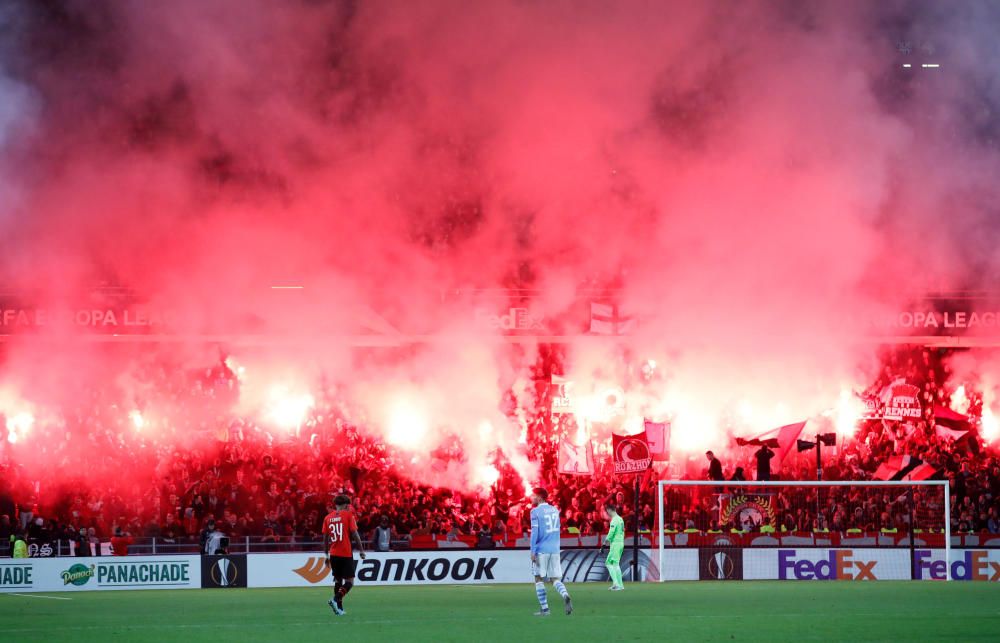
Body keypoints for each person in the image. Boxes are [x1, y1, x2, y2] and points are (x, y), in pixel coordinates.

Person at [529, 487, 573, 616]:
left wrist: (532, 551)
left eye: (534, 496)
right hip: (554, 549)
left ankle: (545, 609)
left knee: (538, 578)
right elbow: (557, 530)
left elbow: (535, 533)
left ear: (540, 497)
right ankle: (565, 595)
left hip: (541, 550)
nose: (532, 498)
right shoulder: (555, 510)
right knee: (555, 579)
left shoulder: (535, 512)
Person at [323, 495, 366, 616]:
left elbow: (325, 539)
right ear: (346, 505)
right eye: (348, 505)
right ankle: (335, 600)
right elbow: (355, 534)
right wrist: (361, 550)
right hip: (345, 553)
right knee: (350, 582)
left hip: (333, 554)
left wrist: (326, 556)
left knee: (338, 581)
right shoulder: (348, 516)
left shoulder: (327, 518)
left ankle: (339, 610)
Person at [601, 503, 626, 591]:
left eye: (607, 511)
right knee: (611, 563)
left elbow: (611, 533)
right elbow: (623, 531)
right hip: (620, 543)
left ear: (609, 510)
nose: (607, 513)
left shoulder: (614, 520)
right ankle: (618, 584)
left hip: (616, 544)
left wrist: (604, 544)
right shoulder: (621, 519)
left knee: (612, 563)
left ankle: (618, 585)